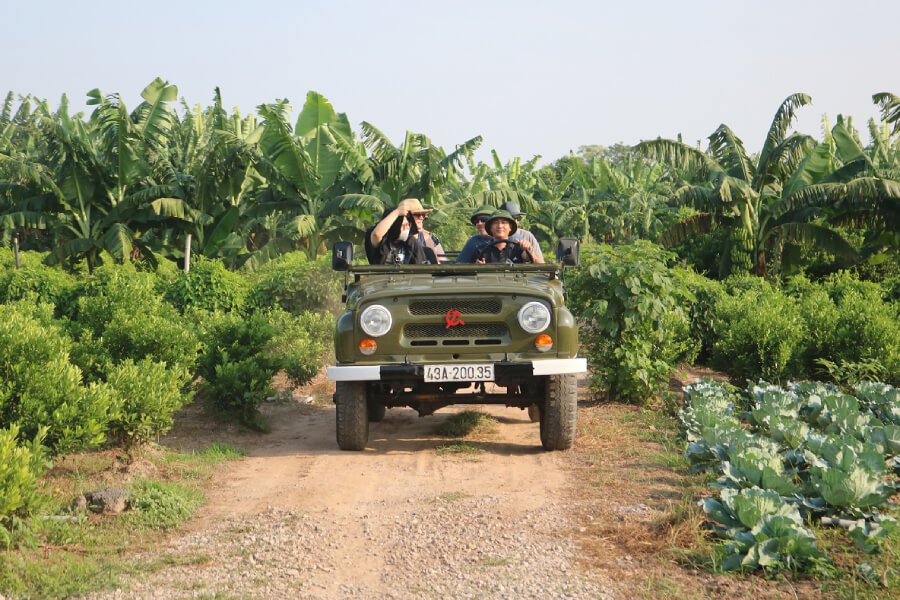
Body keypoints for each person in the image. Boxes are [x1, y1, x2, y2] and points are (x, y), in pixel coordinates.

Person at [364, 198, 429, 264]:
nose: (407, 228)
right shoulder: (383, 242)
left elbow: (421, 266)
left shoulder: (411, 242)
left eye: (408, 225)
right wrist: (397, 212)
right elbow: (376, 234)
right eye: (404, 225)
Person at [474, 210, 544, 264]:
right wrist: (479, 268)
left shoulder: (519, 249)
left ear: (510, 227)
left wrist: (530, 252)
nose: (500, 226)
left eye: (503, 222)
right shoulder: (481, 251)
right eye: (495, 223)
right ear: (490, 227)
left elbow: (541, 267)